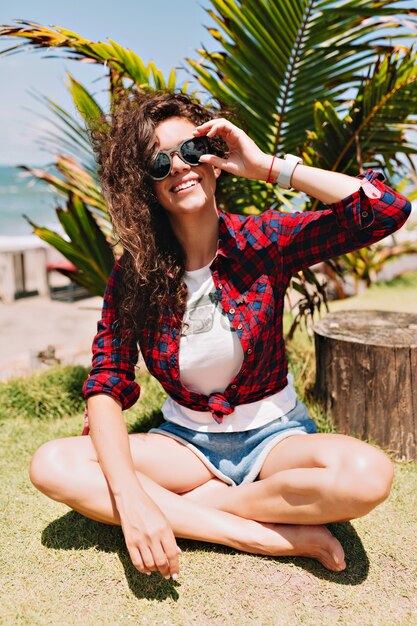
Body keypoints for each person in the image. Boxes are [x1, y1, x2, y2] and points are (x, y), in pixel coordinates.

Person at [29, 91, 411, 582]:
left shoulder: (262, 240)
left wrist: (268, 167)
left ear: (212, 156)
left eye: (191, 150)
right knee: (52, 463)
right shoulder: (136, 273)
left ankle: (207, 506)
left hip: (277, 438)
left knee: (367, 475)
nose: (180, 168)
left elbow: (386, 211)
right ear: (143, 183)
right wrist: (131, 498)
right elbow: (106, 384)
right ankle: (249, 532)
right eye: (159, 162)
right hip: (184, 445)